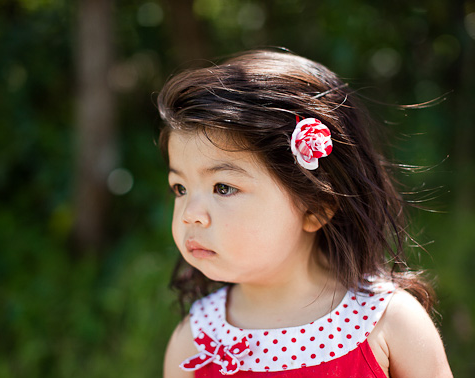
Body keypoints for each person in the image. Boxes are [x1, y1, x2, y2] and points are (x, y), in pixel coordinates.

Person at [158, 49, 452, 377]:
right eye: (180, 188)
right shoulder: (196, 340)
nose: (190, 214)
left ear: (315, 206)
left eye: (223, 187)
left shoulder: (387, 322)